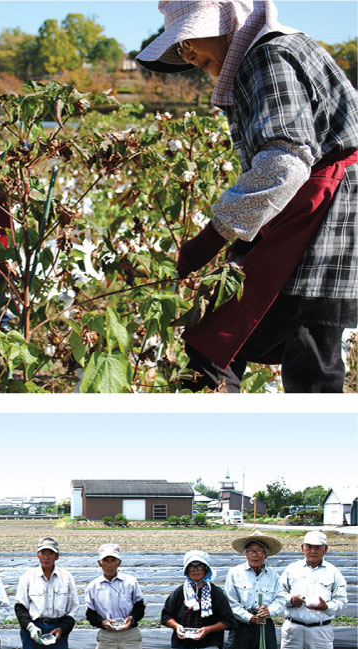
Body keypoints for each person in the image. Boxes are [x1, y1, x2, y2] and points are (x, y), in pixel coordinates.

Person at [136, 0, 358, 393]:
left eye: (188, 37)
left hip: (324, 210)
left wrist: (212, 237)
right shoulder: (283, 47)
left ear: (227, 19)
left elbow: (286, 162)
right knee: (311, 351)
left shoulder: (268, 56)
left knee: (218, 342)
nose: (186, 54)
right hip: (326, 207)